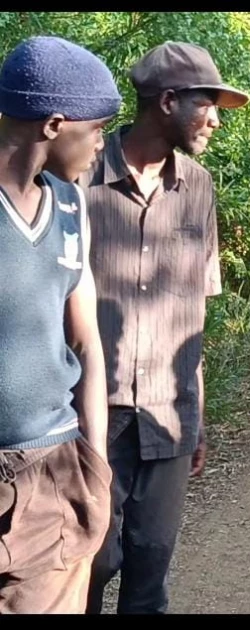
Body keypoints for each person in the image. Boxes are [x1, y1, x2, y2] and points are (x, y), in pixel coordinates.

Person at [80, 41, 250, 615]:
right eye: (209, 104)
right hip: (89, 416)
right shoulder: (77, 179)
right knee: (88, 565)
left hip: (169, 413)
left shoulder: (197, 186)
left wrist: (196, 414)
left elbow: (194, 311)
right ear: (169, 101)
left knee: (150, 568)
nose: (216, 119)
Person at [0, 35, 120, 614]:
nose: (102, 143)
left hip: (53, 470)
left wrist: (96, 472)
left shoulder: (71, 209)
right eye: (96, 128)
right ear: (53, 124)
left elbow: (87, 342)